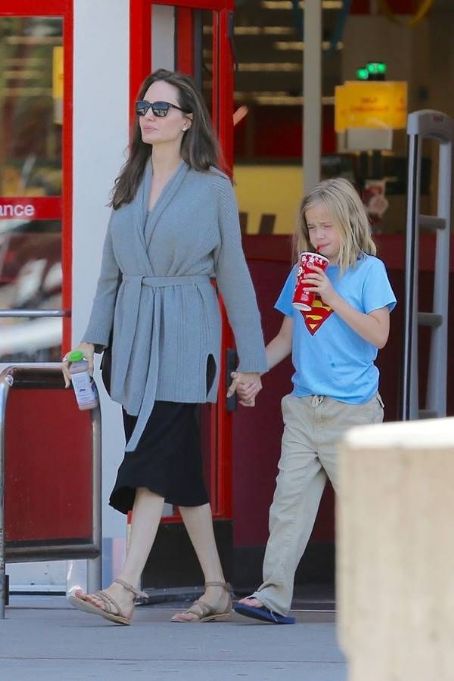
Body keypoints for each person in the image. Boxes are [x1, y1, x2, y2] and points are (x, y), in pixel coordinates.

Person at [62, 69, 266, 625]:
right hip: (131, 343)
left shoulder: (213, 188)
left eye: (159, 108)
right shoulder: (128, 184)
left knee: (150, 460)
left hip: (184, 339)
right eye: (142, 107)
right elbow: (109, 277)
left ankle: (125, 588)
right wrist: (88, 342)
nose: (148, 116)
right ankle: (218, 586)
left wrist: (252, 361)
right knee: (179, 473)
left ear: (187, 119)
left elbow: (236, 276)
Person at [233, 177, 396, 624]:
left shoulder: (368, 271)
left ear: (349, 223)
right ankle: (272, 596)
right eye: (311, 229)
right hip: (305, 406)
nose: (319, 237)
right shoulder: (301, 274)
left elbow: (378, 335)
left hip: (354, 412)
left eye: (327, 227)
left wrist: (333, 297)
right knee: (288, 507)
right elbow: (286, 338)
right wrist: (252, 372)